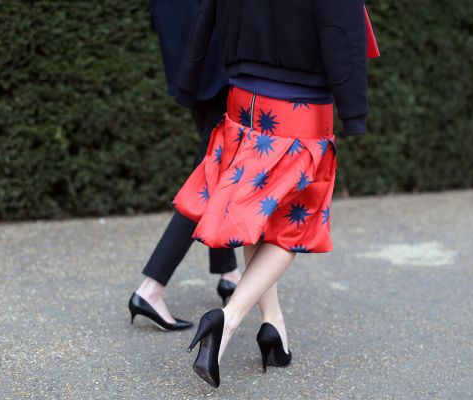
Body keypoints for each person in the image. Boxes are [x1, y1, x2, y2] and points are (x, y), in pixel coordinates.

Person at [174, 0, 378, 387]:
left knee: (262, 215)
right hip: (300, 108)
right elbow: (342, 30)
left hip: (243, 99)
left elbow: (206, 12)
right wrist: (354, 113)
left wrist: (188, 80)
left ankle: (273, 326)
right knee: (296, 227)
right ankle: (227, 319)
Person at [128, 0, 241, 332]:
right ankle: (150, 288)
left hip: (187, 52)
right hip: (218, 53)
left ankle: (228, 272)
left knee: (218, 166)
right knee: (213, 169)